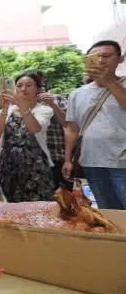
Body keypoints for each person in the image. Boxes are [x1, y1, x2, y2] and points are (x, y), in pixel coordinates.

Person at [63, 40, 126, 209]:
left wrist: (110, 82)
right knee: (108, 210)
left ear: (120, 59)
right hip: (92, 161)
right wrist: (68, 159)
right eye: (95, 57)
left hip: (122, 162)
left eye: (106, 56)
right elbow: (72, 129)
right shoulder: (77, 94)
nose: (101, 61)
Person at [0, 71, 54, 202]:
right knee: (10, 206)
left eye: (29, 85)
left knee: (37, 206)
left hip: (35, 167)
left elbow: (34, 128)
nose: (23, 89)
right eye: (19, 85)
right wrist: (4, 108)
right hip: (7, 165)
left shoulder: (44, 110)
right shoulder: (7, 110)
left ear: (38, 89)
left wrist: (23, 107)